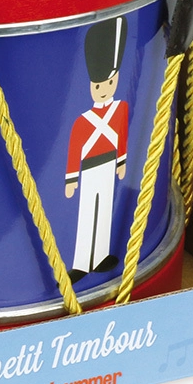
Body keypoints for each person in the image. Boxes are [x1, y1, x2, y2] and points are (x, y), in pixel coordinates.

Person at [65, 16, 129, 283]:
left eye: (108, 84)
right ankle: (81, 263)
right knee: (87, 213)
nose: (102, 90)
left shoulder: (121, 109)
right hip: (89, 170)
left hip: (109, 165)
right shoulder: (82, 121)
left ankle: (101, 256)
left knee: (105, 210)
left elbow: (122, 136)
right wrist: (72, 179)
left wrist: (122, 162)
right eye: (98, 86)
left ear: (116, 80)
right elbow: (75, 149)